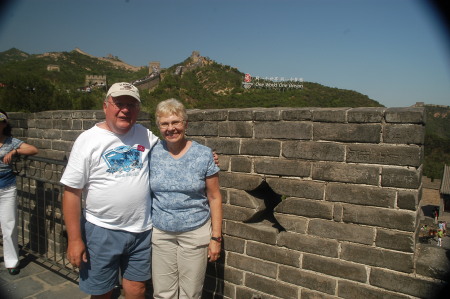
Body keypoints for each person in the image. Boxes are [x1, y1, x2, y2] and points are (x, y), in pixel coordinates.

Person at [61, 82, 159, 299]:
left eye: (131, 104)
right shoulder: (87, 140)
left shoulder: (145, 134)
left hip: (142, 230)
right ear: (106, 106)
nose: (125, 109)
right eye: (119, 103)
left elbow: (172, 149)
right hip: (101, 230)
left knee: (137, 289)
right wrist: (75, 239)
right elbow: (71, 193)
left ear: (138, 110)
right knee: (102, 292)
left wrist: (204, 155)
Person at [150, 98, 222, 299]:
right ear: (158, 127)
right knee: (163, 293)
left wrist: (216, 237)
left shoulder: (203, 154)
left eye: (176, 122)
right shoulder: (151, 152)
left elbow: (215, 197)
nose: (170, 128)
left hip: (194, 232)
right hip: (161, 232)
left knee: (191, 293)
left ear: (185, 124)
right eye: (165, 124)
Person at [0, 109, 38, 275]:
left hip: (7, 188)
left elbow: (33, 149)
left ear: (5, 124)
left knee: (9, 225)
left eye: (1, 121)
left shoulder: (10, 141)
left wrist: (15, 151)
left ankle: (12, 261)